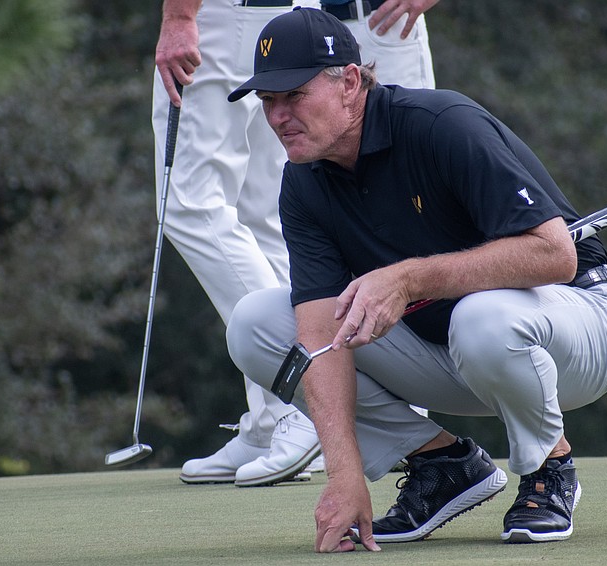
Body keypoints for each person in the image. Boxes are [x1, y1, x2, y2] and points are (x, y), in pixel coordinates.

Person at [225, 7, 607, 551]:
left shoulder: (442, 124)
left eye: (293, 96)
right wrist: (343, 474)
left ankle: (548, 468)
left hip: (578, 328)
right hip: (451, 351)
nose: (277, 117)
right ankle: (441, 463)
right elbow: (320, 334)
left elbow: (555, 256)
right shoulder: (303, 181)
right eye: (267, 101)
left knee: (482, 316)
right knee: (255, 324)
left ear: (349, 82)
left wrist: (412, 278)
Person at [152, 0, 438, 486]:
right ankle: (277, 417)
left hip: (232, 14)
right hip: (296, 16)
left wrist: (179, 15)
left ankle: (302, 406)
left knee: (190, 206)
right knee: (264, 216)